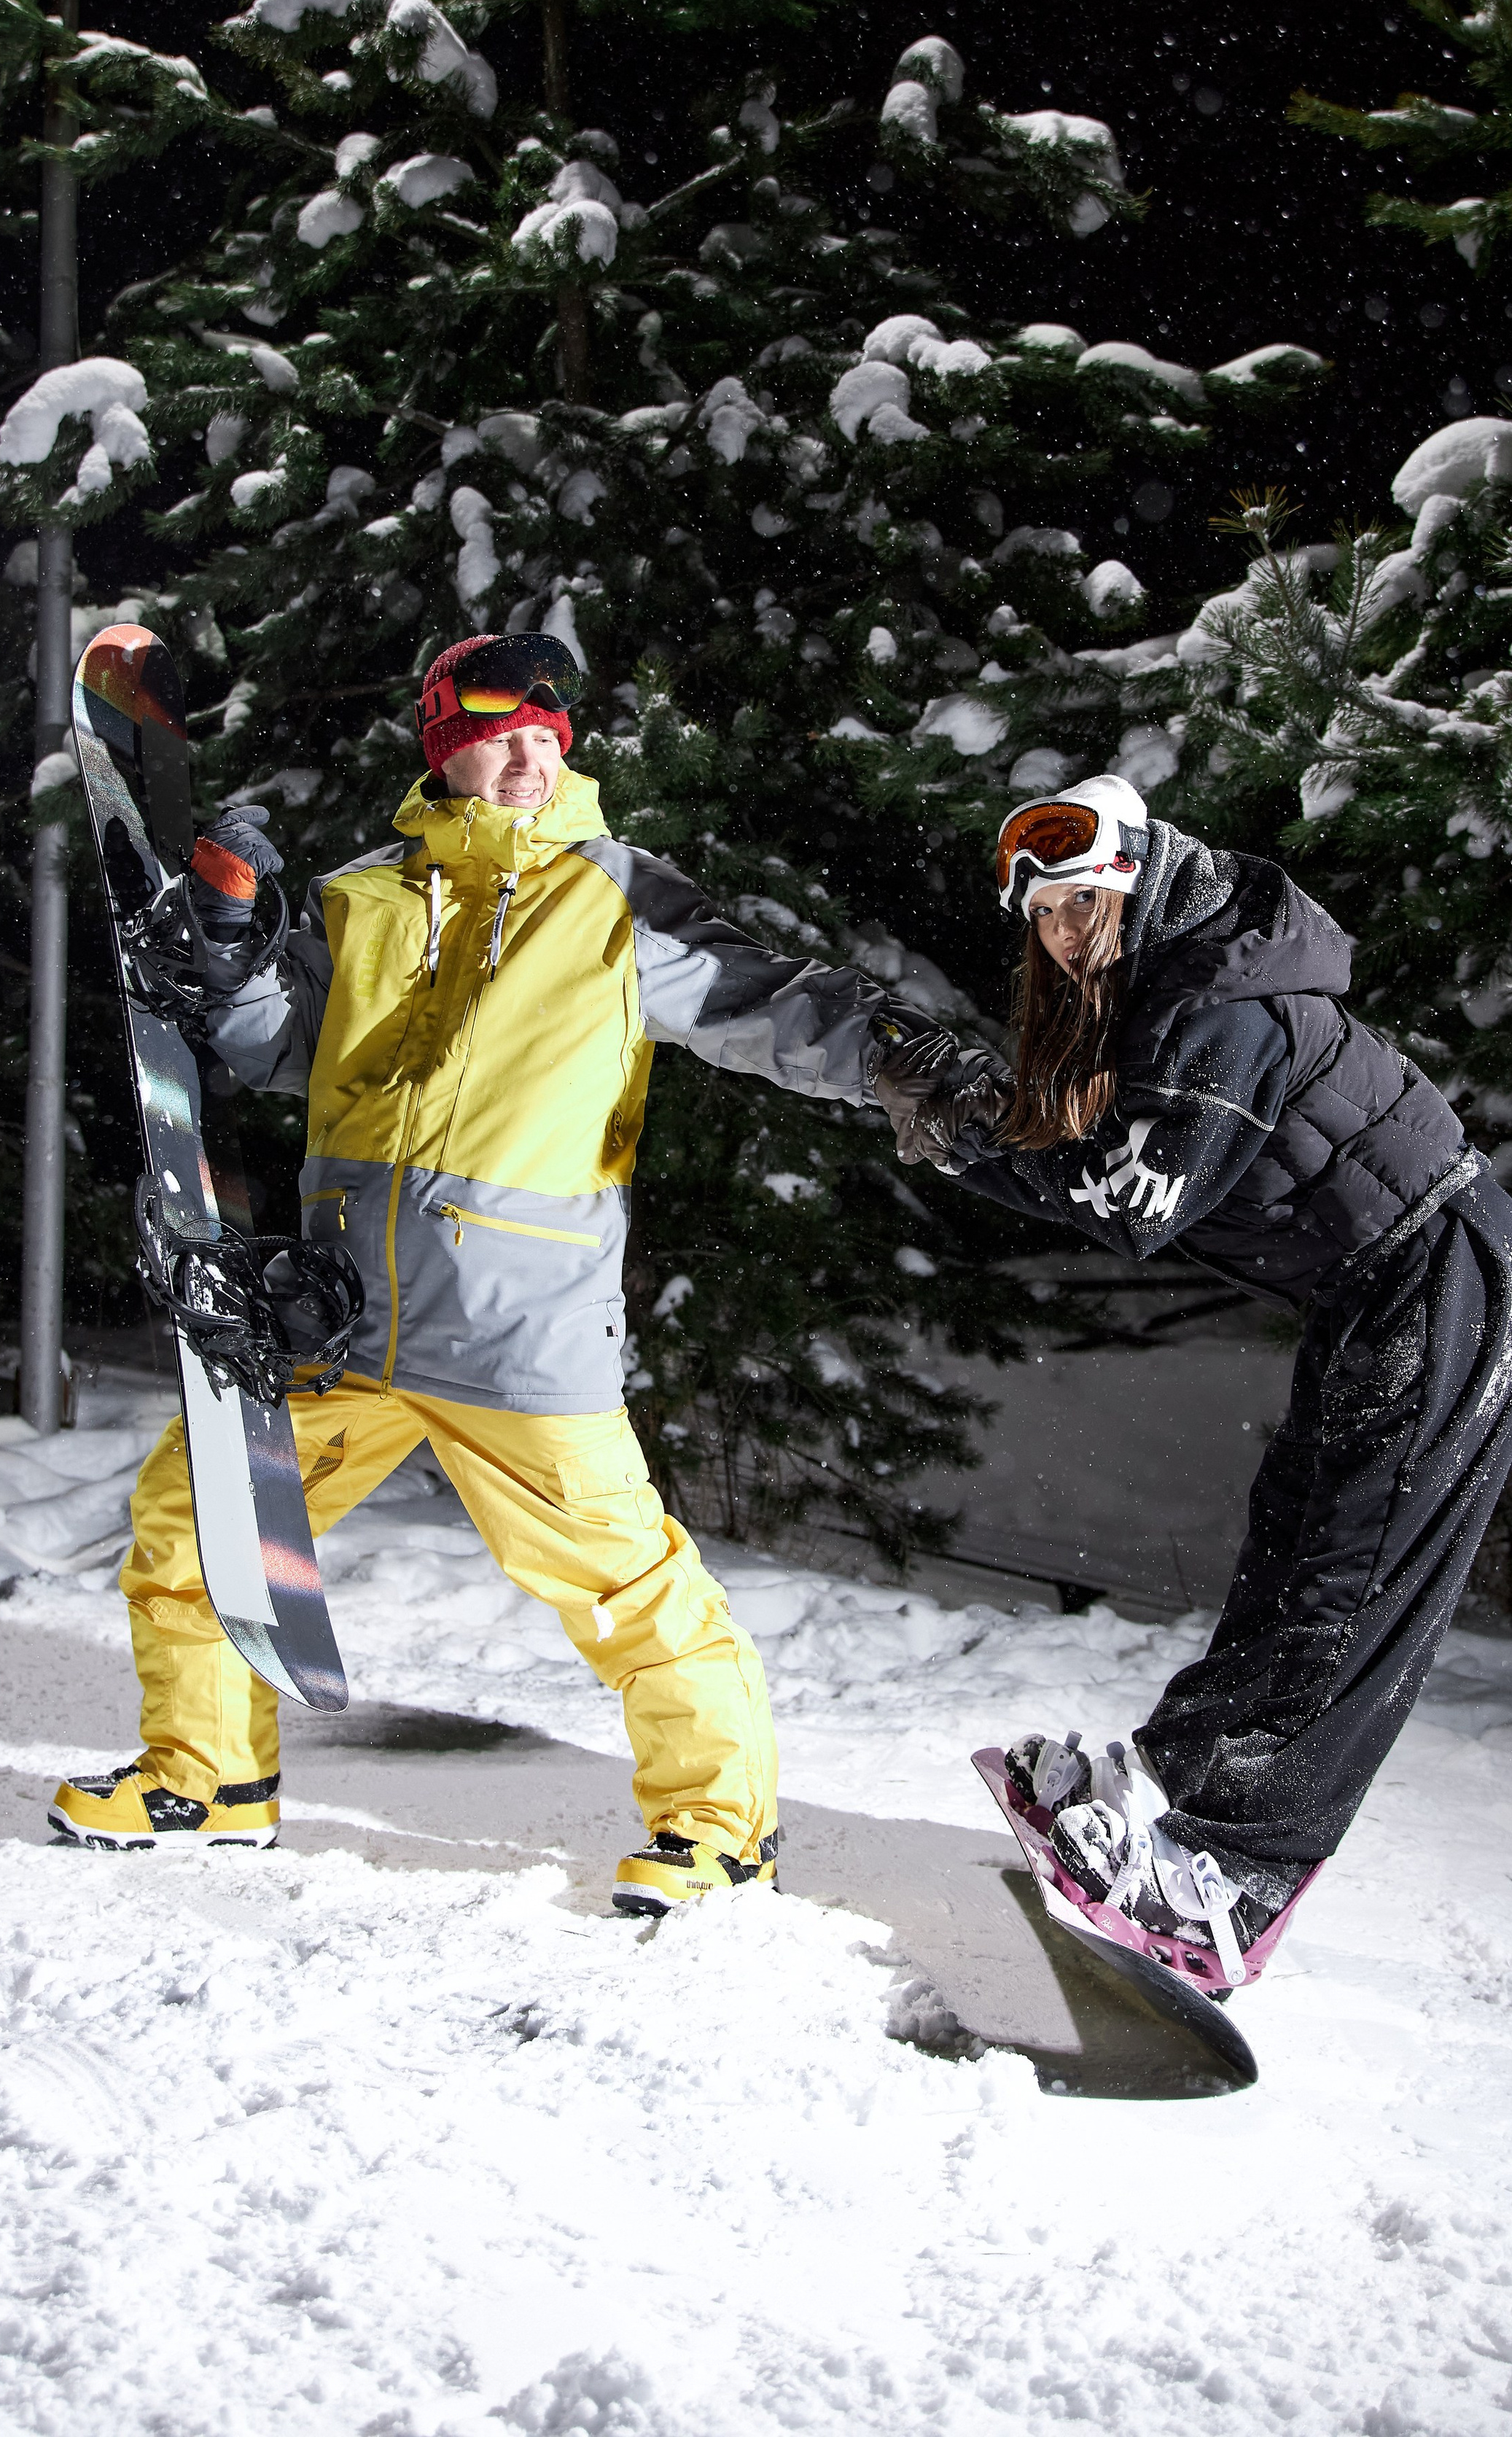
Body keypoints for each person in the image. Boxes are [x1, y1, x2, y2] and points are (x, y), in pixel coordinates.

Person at [52, 631, 925, 1912]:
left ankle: (717, 1829)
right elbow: (280, 1050)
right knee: (193, 1520)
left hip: (522, 1332)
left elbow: (778, 1005)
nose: (525, 757)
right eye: (496, 737)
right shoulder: (362, 899)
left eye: (544, 738)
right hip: (340, 1319)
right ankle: (208, 1778)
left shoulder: (615, 896)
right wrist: (234, 947)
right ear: (446, 749)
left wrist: (912, 1065)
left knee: (624, 1585)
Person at [881, 772, 1512, 1987]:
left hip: (1447, 1272)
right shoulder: (1164, 990)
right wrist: (974, 1108)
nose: (1064, 933)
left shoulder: (1219, 1004)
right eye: (1042, 917)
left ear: (1139, 876)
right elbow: (1086, 1144)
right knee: (1296, 1547)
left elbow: (1133, 1199)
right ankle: (1189, 1817)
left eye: (1082, 903)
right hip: (1379, 1289)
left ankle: (1233, 1876)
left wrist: (964, 1122)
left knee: (1345, 1577)